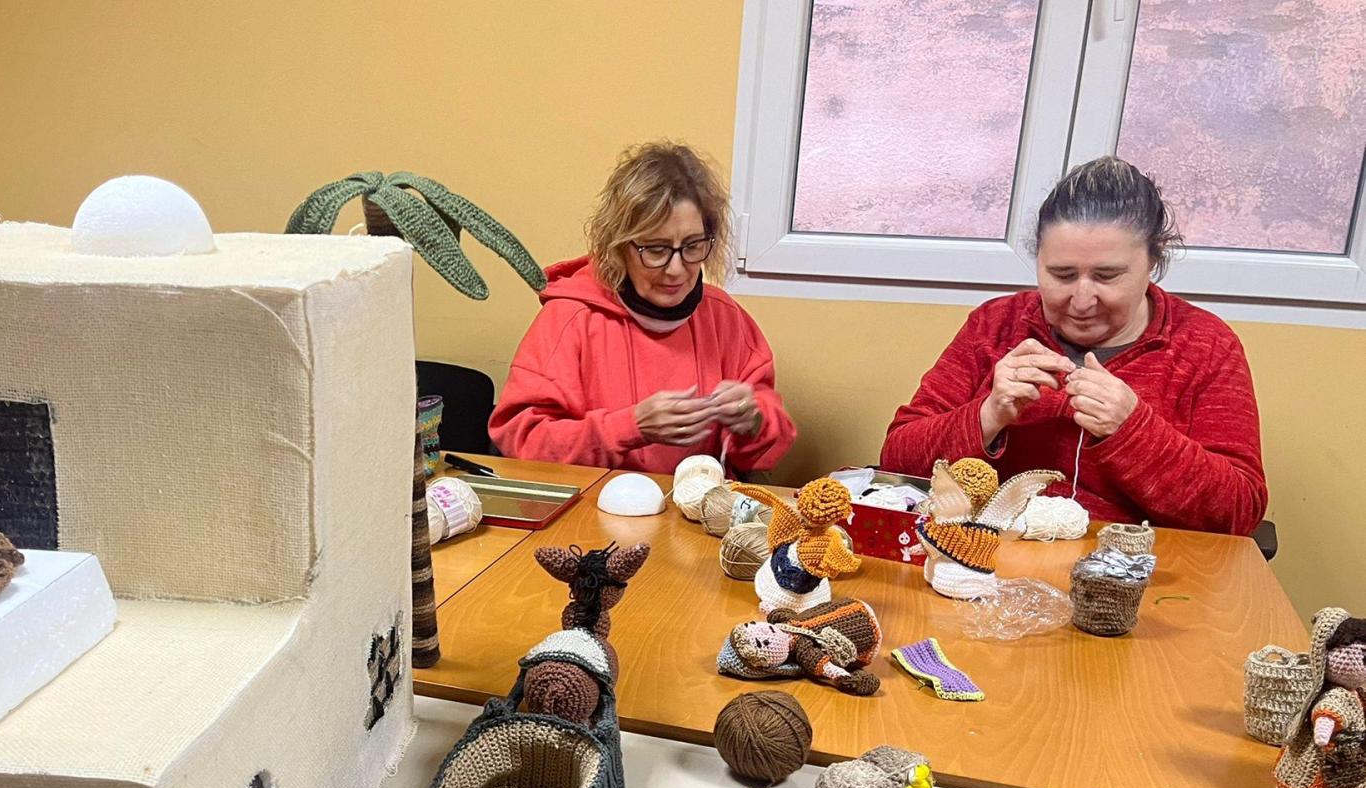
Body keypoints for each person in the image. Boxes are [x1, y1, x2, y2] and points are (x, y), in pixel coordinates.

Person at [879, 156, 1267, 536]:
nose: (1082, 300)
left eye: (1107, 275)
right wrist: (988, 415)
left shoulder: (1205, 345)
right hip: (989, 564)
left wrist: (1131, 428)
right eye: (1062, 275)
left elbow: (1238, 512)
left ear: (1152, 262)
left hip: (1141, 574)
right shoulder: (995, 326)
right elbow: (897, 459)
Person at [489, 142, 795, 476]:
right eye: (656, 248)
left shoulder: (725, 318)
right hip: (590, 516)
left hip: (695, 516)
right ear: (619, 246)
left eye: (692, 246)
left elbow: (766, 449)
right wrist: (630, 427)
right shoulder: (570, 319)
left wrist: (752, 421)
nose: (676, 269)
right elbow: (521, 442)